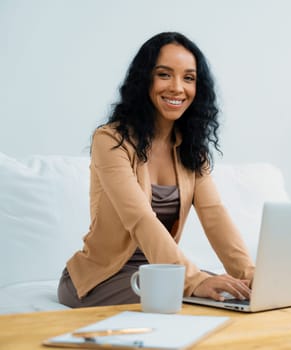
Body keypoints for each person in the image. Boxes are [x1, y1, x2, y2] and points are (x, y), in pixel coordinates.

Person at [57, 32, 254, 307]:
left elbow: (215, 216)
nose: (177, 87)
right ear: (144, 80)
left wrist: (249, 275)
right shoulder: (110, 140)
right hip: (101, 278)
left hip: (162, 272)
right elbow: (139, 218)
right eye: (164, 74)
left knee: (233, 293)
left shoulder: (191, 150)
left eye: (188, 78)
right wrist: (193, 281)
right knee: (188, 299)